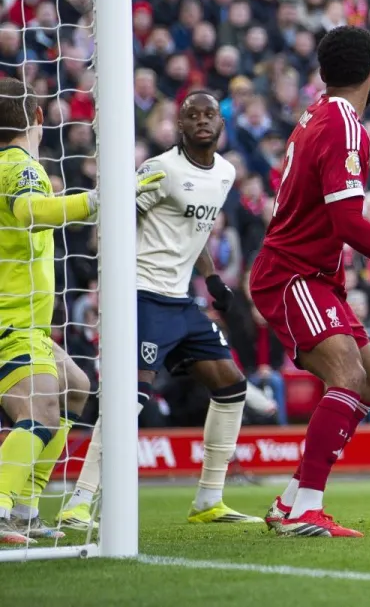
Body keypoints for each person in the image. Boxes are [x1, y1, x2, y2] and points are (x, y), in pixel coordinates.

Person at [250, 26, 370, 538]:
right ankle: (305, 509)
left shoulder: (316, 114)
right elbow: (349, 224)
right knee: (347, 375)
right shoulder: (343, 124)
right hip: (293, 273)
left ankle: (290, 500)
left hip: (316, 275)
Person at [59, 91, 260, 531]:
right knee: (129, 399)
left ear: (220, 125)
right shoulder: (160, 169)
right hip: (141, 294)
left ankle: (209, 499)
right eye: (193, 115)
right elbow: (116, 220)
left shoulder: (225, 173)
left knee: (231, 386)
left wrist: (209, 279)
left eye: (210, 114)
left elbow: (197, 230)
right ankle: (79, 501)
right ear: (180, 126)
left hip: (181, 299)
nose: (203, 121)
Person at [0, 79, 157, 545]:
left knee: (75, 388)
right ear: (40, 119)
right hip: (12, 320)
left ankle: (26, 508)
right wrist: (96, 200)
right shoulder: (19, 165)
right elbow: (31, 211)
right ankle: (4, 505)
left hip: (25, 320)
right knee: (44, 408)